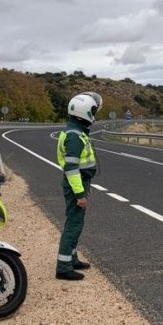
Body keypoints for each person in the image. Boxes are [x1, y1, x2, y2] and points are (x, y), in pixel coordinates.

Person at [55, 92, 102, 280]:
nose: (94, 114)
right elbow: (71, 168)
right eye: (93, 110)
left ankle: (72, 259)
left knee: (76, 223)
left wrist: (85, 186)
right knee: (73, 225)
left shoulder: (75, 131)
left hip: (80, 182)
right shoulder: (75, 136)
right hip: (76, 183)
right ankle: (63, 267)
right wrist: (80, 194)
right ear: (85, 112)